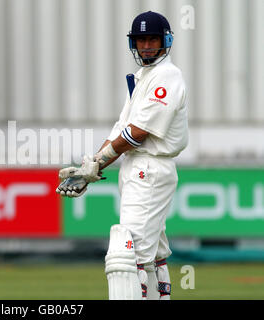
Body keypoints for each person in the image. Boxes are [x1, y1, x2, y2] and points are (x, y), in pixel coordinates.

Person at [56, 11, 188, 300]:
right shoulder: (144, 76)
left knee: (129, 256)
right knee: (153, 253)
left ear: (166, 41)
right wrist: (91, 166)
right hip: (140, 167)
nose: (146, 46)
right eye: (141, 40)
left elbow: (138, 132)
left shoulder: (167, 74)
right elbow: (122, 127)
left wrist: (101, 161)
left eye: (153, 39)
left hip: (150, 169)